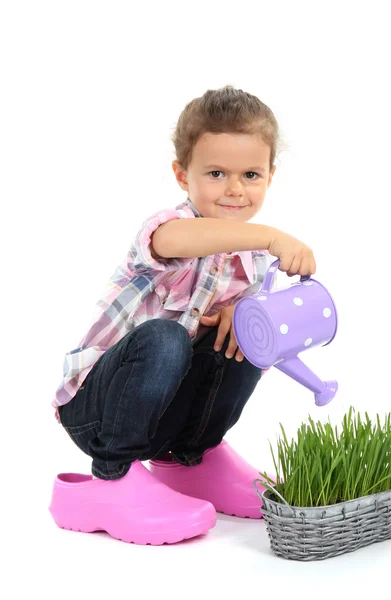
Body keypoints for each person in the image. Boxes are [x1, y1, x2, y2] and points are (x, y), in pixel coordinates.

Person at [49, 85, 317, 545]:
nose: (235, 189)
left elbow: (237, 335)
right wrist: (271, 235)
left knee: (252, 335)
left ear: (270, 177)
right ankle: (113, 476)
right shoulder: (167, 228)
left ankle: (192, 457)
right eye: (216, 173)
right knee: (165, 336)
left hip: (167, 416)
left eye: (251, 174)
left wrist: (243, 313)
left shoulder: (250, 262)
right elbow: (177, 242)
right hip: (99, 413)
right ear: (181, 174)